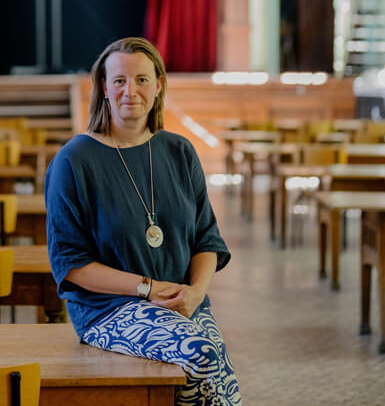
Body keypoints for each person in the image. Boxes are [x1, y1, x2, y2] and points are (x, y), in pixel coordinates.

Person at [45, 37, 240, 405]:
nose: (129, 91)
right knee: (201, 354)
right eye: (118, 80)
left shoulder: (178, 151)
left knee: (218, 378)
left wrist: (196, 292)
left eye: (141, 80)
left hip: (182, 300)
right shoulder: (74, 160)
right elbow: (70, 264)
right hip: (108, 309)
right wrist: (147, 288)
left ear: (159, 85)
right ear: (104, 87)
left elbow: (206, 240)